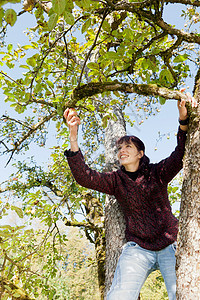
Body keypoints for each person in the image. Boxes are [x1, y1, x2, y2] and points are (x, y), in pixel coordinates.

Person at [63, 91, 197, 300]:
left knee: (184, 294)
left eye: (128, 146)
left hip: (170, 243)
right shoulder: (116, 181)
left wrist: (183, 120)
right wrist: (73, 136)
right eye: (119, 148)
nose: (122, 150)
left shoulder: (157, 173)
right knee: (119, 296)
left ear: (140, 153)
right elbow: (84, 177)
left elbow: (181, 153)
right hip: (138, 249)